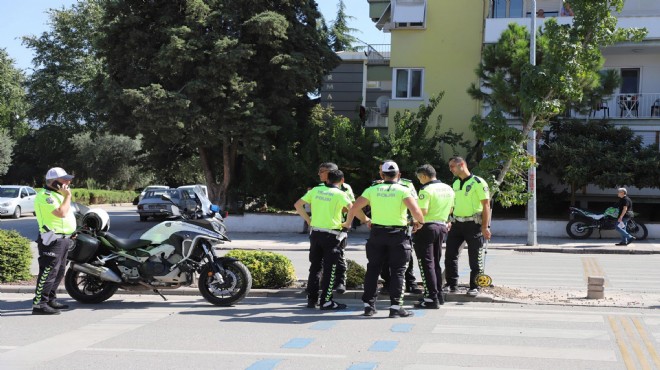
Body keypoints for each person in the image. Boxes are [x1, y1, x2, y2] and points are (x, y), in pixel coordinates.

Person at [344, 160, 424, 318]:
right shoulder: (403, 190)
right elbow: (417, 212)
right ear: (399, 175)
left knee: (373, 269)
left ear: (381, 174)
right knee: (398, 272)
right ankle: (395, 307)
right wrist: (418, 223)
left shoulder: (372, 189)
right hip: (398, 235)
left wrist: (365, 220)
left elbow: (353, 207)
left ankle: (368, 306)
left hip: (377, 234)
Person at [294, 169, 357, 310]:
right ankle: (326, 301)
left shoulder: (316, 190)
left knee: (315, 268)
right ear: (342, 181)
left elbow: (297, 205)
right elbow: (352, 209)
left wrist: (308, 219)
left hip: (315, 233)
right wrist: (347, 223)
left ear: (327, 179)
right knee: (330, 269)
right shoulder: (340, 194)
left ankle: (311, 299)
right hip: (332, 235)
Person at [32, 167, 77, 315]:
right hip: (52, 239)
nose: (68, 182)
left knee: (59, 271)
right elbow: (61, 213)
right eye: (64, 180)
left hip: (63, 239)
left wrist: (71, 232)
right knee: (48, 271)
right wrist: (68, 196)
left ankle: (50, 299)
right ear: (53, 182)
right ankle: (40, 304)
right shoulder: (45, 196)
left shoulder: (57, 195)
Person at [444, 157, 491, 297]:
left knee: (474, 257)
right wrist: (448, 219)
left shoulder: (478, 182)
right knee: (450, 255)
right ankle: (452, 285)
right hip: (457, 224)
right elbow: (453, 204)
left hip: (473, 224)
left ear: (462, 165)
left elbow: (486, 205)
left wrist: (485, 226)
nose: (451, 169)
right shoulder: (456, 182)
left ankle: (475, 286)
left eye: (452, 166)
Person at [377, 161, 423, 295]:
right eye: (380, 170)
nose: (381, 173)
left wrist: (415, 221)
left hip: (403, 225)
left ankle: (411, 282)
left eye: (382, 170)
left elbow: (415, 204)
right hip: (382, 225)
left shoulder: (407, 185)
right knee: (384, 256)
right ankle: (387, 283)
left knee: (406, 255)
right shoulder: (377, 186)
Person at [413, 164, 455, 309]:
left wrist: (414, 223)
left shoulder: (426, 190)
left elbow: (422, 211)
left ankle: (430, 298)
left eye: (419, 178)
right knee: (435, 262)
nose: (419, 181)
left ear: (424, 176)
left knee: (426, 264)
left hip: (426, 227)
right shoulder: (448, 188)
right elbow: (450, 209)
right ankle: (438, 295)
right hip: (442, 226)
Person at [316, 162, 355, 294]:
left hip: (339, 227)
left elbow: (350, 207)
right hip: (322, 227)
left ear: (331, 173)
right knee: (320, 258)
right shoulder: (320, 187)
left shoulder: (345, 188)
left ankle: (340, 282)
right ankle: (322, 283)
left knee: (339, 255)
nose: (319, 174)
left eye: (323, 171)